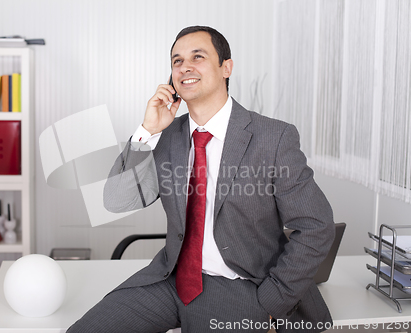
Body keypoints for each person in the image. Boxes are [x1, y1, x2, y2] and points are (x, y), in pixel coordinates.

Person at [67, 25, 335, 333]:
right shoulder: (166, 137)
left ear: (226, 67)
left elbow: (316, 226)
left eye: (198, 56)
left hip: (240, 287)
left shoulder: (272, 138)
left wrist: (270, 302)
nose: (185, 67)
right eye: (177, 61)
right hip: (170, 279)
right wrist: (147, 131)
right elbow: (117, 200)